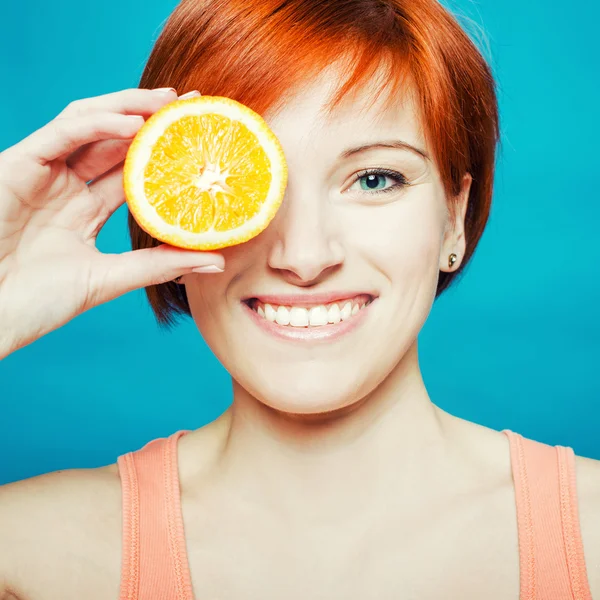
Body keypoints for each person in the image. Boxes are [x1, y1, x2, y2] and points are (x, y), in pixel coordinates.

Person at [0, 0, 598, 598]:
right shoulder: (30, 556)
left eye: (374, 179)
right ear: (172, 215)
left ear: (454, 220)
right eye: (243, 180)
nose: (304, 256)